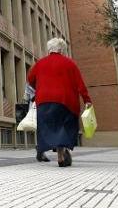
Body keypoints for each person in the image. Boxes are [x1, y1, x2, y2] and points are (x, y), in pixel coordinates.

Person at [26, 38, 92, 167]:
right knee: (63, 128)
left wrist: (38, 88)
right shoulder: (70, 63)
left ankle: (41, 149)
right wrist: (87, 100)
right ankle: (60, 156)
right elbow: (80, 84)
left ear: (49, 49)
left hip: (44, 100)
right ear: (61, 50)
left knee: (47, 127)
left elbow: (30, 79)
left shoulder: (40, 63)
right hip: (66, 101)